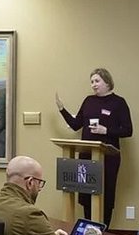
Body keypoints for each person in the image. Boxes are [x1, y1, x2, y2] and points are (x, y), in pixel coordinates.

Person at [55, 67, 133, 226]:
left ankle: (104, 232)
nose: (93, 85)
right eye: (92, 82)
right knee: (86, 194)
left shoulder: (119, 103)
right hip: (86, 156)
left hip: (108, 158)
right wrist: (62, 109)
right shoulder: (89, 101)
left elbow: (128, 130)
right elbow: (76, 125)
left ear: (107, 81)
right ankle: (88, 232)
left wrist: (106, 130)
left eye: (97, 81)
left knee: (106, 194)